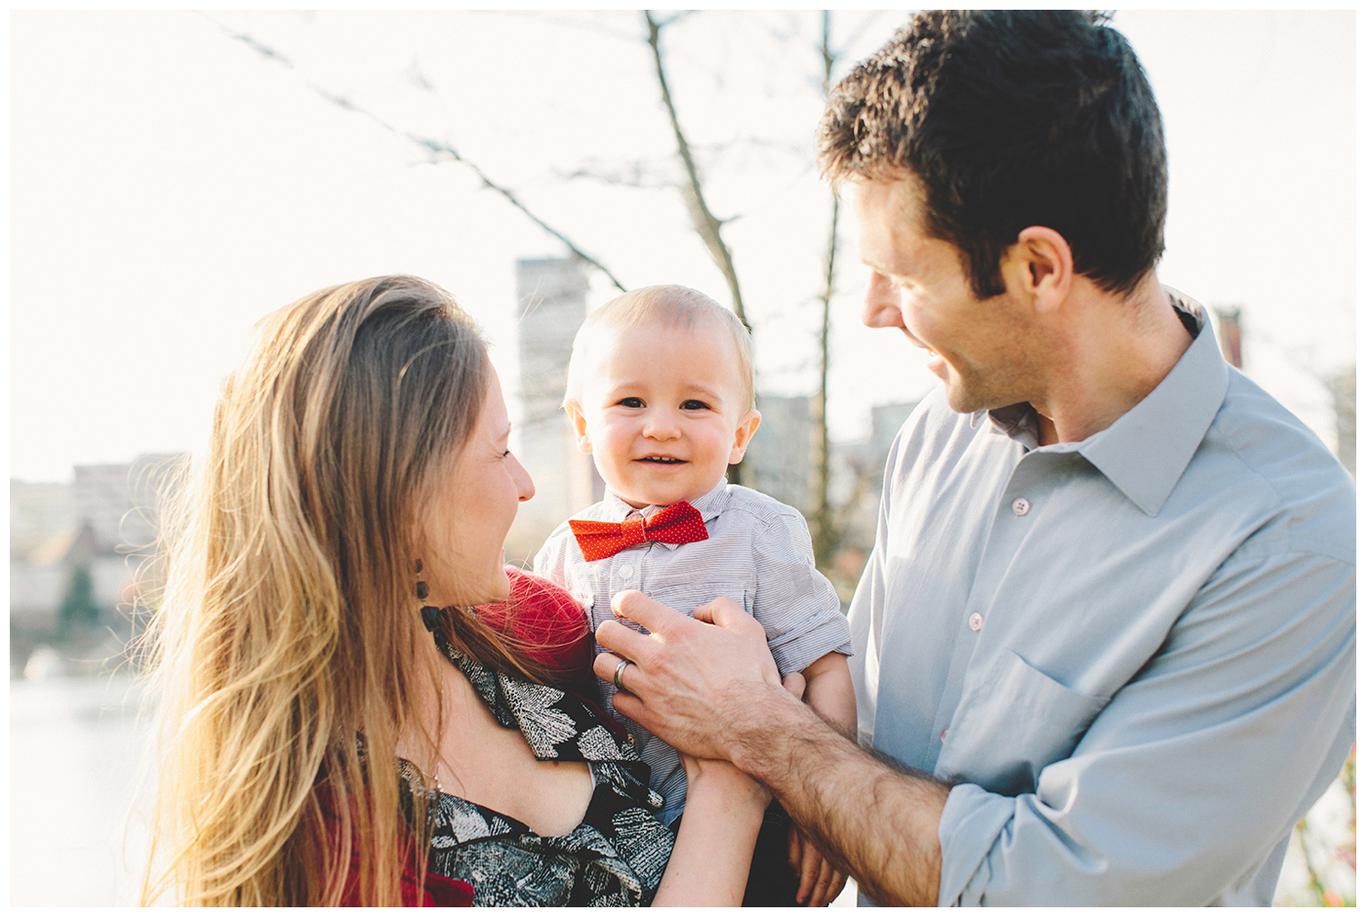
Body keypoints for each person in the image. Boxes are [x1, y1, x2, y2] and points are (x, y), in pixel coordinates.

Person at [592, 10, 1356, 906]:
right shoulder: (942, 428)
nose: (875, 310)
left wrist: (756, 727)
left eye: (905, 278)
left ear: (1038, 268)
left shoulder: (1284, 542)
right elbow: (859, 737)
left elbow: (1043, 889)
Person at [138, 275, 770, 906]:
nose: (525, 486)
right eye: (499, 453)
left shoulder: (542, 624)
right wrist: (731, 786)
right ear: (399, 494)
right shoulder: (318, 836)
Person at [533, 285, 855, 906]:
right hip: (610, 830)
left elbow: (826, 667)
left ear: (739, 435)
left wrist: (825, 804)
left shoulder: (762, 532)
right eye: (631, 400)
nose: (662, 426)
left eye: (694, 404)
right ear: (582, 424)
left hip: (760, 818)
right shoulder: (563, 551)